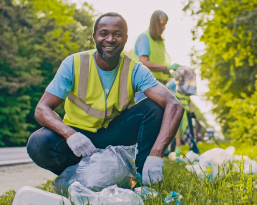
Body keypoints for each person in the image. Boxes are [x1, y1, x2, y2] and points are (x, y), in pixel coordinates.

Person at [26, 12, 184, 186]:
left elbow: (174, 105)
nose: (110, 39)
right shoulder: (73, 63)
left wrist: (156, 154)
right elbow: (42, 109)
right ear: (94, 37)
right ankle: (75, 175)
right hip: (79, 139)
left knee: (155, 107)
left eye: (117, 34)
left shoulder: (135, 69)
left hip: (113, 136)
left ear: (125, 39)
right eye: (104, 33)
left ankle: (142, 177)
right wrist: (70, 135)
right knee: (38, 143)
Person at [133, 10, 180, 102]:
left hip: (158, 87)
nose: (164, 27)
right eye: (162, 24)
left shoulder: (160, 42)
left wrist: (171, 73)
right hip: (144, 88)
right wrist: (167, 67)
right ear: (155, 23)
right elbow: (144, 63)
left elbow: (159, 64)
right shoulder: (144, 38)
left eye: (165, 24)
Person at [167, 79, 199, 155]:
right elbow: (167, 87)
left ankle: (193, 150)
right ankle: (173, 150)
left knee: (187, 131)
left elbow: (189, 102)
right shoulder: (175, 89)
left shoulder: (187, 91)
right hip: (177, 113)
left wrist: (192, 112)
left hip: (186, 114)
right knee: (177, 131)